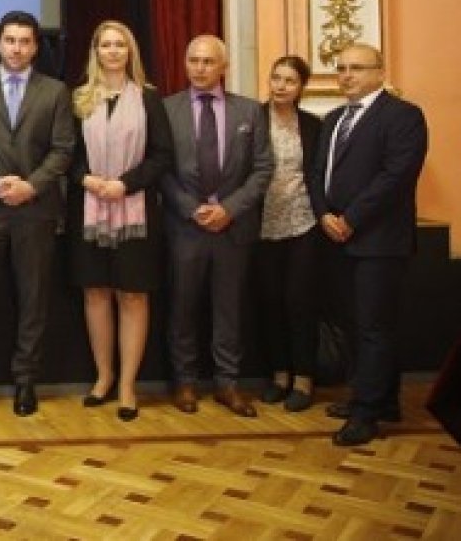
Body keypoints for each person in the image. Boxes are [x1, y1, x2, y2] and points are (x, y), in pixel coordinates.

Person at [309, 43, 428, 446]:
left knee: (374, 327)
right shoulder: (333, 119)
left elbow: (397, 176)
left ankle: (365, 413)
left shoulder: (403, 115)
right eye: (341, 68)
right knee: (354, 325)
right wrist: (324, 213)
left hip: (379, 241)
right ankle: (381, 399)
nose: (347, 75)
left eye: (357, 68)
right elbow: (317, 173)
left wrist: (351, 219)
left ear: (379, 71)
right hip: (335, 238)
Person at [0, 10, 75, 417]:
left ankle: (26, 381)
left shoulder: (55, 92)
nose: (17, 48)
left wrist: (32, 185)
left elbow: (63, 149)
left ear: (35, 47)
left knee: (33, 299)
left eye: (25, 42)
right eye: (10, 40)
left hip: (36, 209)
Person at [161, 34, 273, 417]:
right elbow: (160, 169)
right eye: (194, 60)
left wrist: (230, 208)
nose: (200, 68)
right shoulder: (167, 109)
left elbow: (263, 169)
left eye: (208, 61)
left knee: (230, 310)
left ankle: (228, 383)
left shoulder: (250, 111)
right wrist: (192, 209)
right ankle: (185, 382)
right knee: (183, 308)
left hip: (233, 228)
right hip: (185, 228)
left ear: (224, 66)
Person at [67, 21, 172, 422]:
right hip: (89, 210)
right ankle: (103, 376)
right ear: (95, 51)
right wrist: (88, 180)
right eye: (106, 45)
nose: (112, 51)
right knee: (95, 293)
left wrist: (125, 184)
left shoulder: (148, 98)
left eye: (120, 45)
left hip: (136, 212)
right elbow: (68, 155)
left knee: (132, 296)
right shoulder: (79, 98)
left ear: (130, 52)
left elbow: (162, 156)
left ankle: (127, 384)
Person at [256, 54, 323, 412]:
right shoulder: (252, 119)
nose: (281, 86)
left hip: (303, 222)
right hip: (262, 225)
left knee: (300, 302)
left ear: (301, 87)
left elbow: (319, 174)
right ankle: (280, 375)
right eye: (276, 78)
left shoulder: (312, 125)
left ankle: (304, 379)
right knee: (270, 302)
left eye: (290, 81)